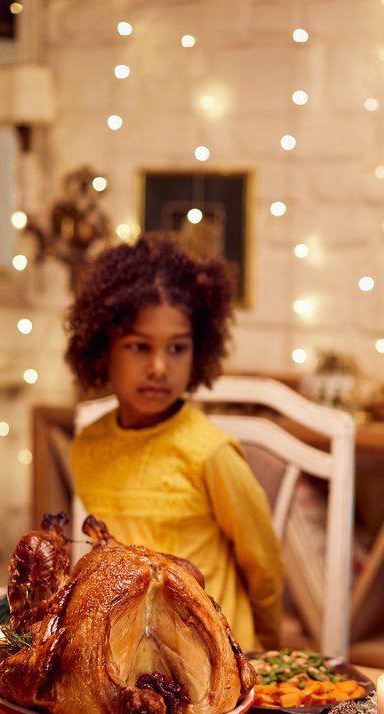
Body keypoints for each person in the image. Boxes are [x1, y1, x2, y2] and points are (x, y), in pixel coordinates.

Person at [65, 233, 283, 652]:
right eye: (139, 346)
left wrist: (265, 650)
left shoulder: (211, 453)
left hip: (216, 651)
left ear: (198, 352)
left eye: (177, 348)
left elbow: (264, 564)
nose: (159, 367)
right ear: (101, 348)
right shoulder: (87, 447)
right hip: (130, 654)